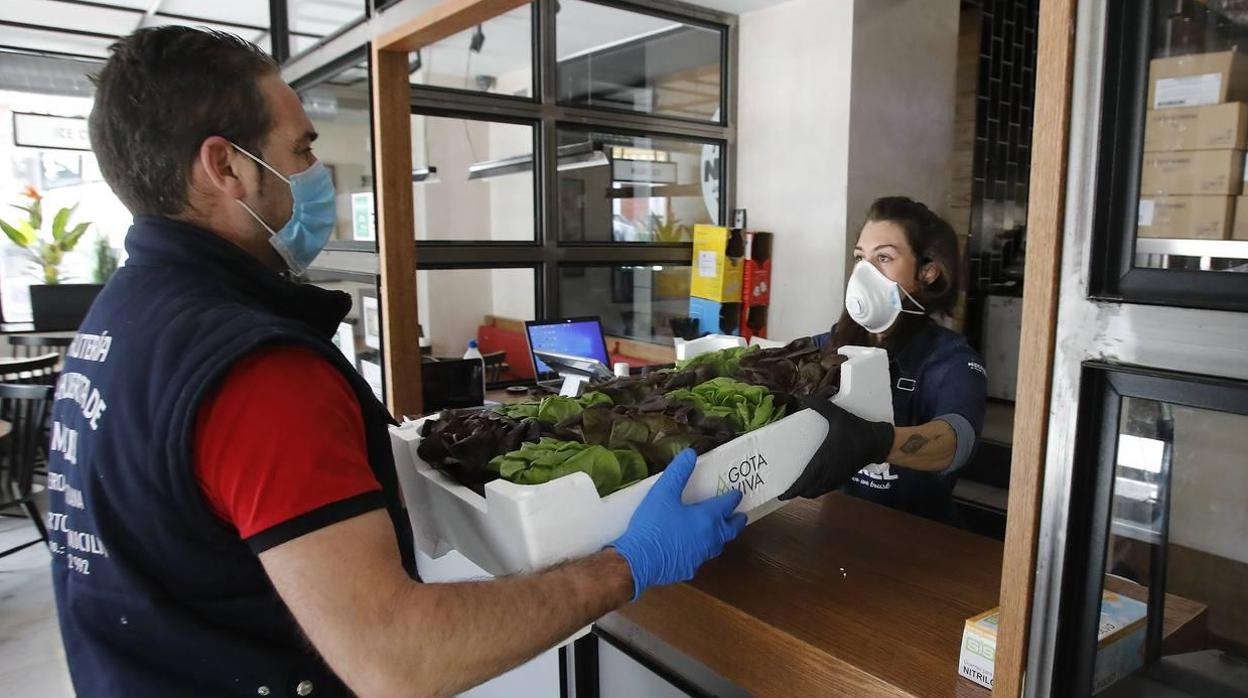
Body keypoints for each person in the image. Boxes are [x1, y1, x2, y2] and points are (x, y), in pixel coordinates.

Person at [47, 27, 745, 697]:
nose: (314, 174)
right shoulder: (258, 374)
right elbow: (398, 660)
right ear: (226, 166)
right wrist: (626, 566)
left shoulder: (112, 327)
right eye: (301, 148)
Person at [780, 196, 988, 524]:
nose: (865, 273)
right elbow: (782, 368)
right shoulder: (834, 344)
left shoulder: (951, 362)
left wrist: (875, 444)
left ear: (927, 272)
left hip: (918, 536)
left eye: (884, 258)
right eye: (860, 258)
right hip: (837, 524)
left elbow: (955, 440)